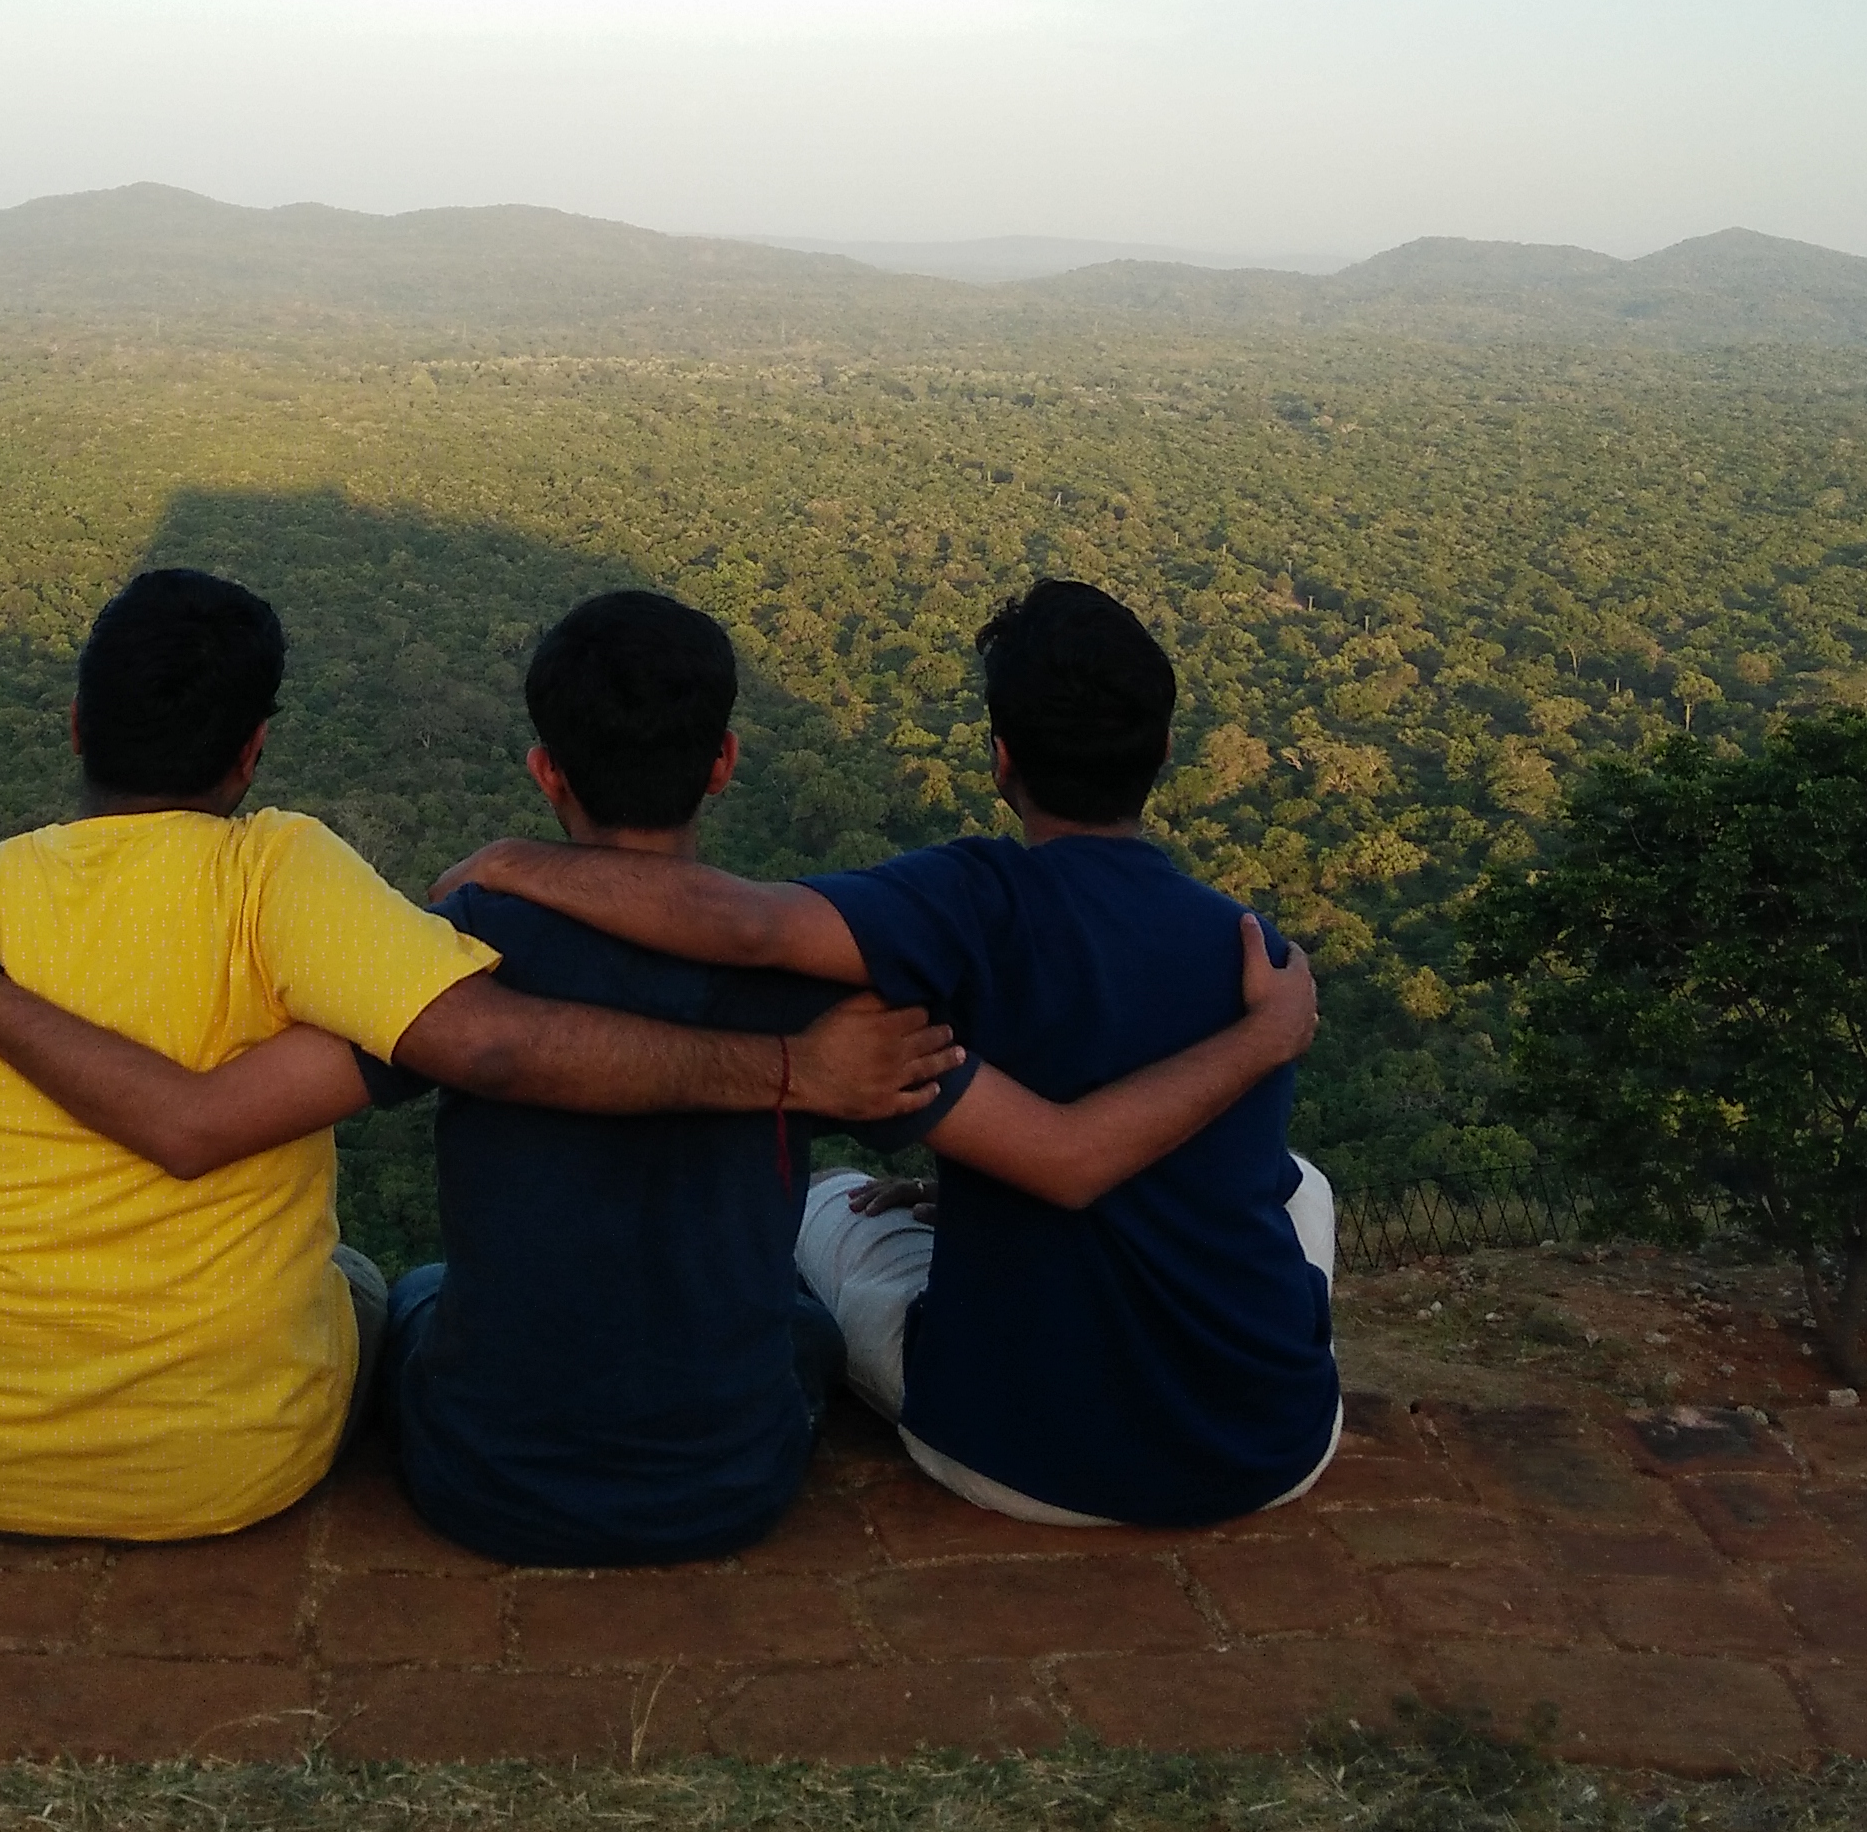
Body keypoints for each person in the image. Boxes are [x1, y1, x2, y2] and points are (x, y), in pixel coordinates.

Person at [0, 587, 1314, 1565]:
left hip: (482, 1485)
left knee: (415, 1293)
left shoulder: (453, 956)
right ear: (728, 761)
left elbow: (268, 1102)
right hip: (743, 1479)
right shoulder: (843, 979)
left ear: (539, 769)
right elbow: (1013, 1123)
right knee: (810, 1267)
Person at [0, 566, 960, 1543]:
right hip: (267, 1462)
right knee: (398, 1282)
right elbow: (480, 1048)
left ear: (77, 725)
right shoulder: (283, 879)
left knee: (409, 1287)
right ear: (253, 749)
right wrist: (790, 1073)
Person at [432, 577, 1340, 1529]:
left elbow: (741, 925)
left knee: (833, 1204)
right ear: (1162, 749)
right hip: (1276, 1446)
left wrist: (510, 860)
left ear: (1001, 761)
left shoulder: (962, 909)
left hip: (1017, 1452)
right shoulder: (1255, 952)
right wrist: (1265, 1037)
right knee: (1300, 1186)